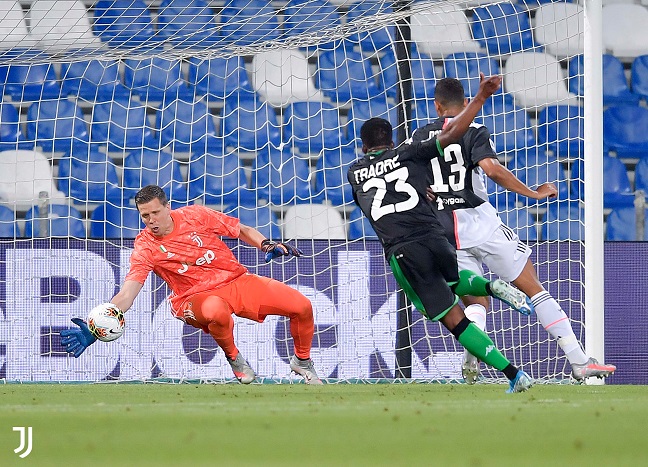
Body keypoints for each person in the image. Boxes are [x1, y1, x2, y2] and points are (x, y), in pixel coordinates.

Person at [412, 77, 616, 384]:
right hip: (483, 226)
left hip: (445, 234)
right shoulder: (474, 129)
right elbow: (493, 170)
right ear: (466, 103)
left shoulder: (419, 135)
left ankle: (473, 353)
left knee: (476, 302)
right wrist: (533, 193)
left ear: (437, 105)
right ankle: (579, 362)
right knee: (533, 288)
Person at [348, 73, 534, 393]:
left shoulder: (354, 172)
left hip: (402, 248)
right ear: (391, 142)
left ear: (364, 147)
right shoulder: (407, 153)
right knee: (453, 279)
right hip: (435, 234)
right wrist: (479, 98)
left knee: (455, 320)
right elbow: (451, 133)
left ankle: (513, 373)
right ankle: (491, 286)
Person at [60, 185, 322, 385]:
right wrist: (98, 325)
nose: (151, 220)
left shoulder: (195, 215)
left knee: (301, 306)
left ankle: (302, 361)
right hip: (193, 297)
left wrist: (266, 244)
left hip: (236, 280)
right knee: (216, 311)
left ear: (167, 207)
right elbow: (129, 291)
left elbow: (240, 229)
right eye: (145, 216)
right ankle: (235, 358)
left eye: (155, 212)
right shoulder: (145, 247)